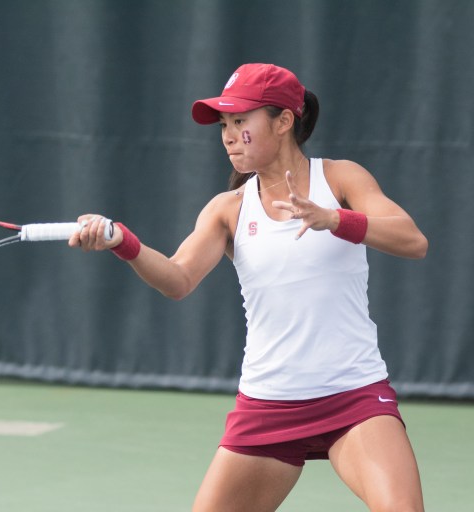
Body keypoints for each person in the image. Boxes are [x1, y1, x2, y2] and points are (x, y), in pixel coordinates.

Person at [69, 63, 428, 511]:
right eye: (224, 124)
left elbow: (412, 240)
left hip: (353, 397)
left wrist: (334, 218)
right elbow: (177, 279)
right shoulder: (228, 209)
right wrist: (122, 241)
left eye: (241, 121)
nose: (228, 134)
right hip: (268, 405)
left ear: (283, 121)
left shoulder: (340, 179)